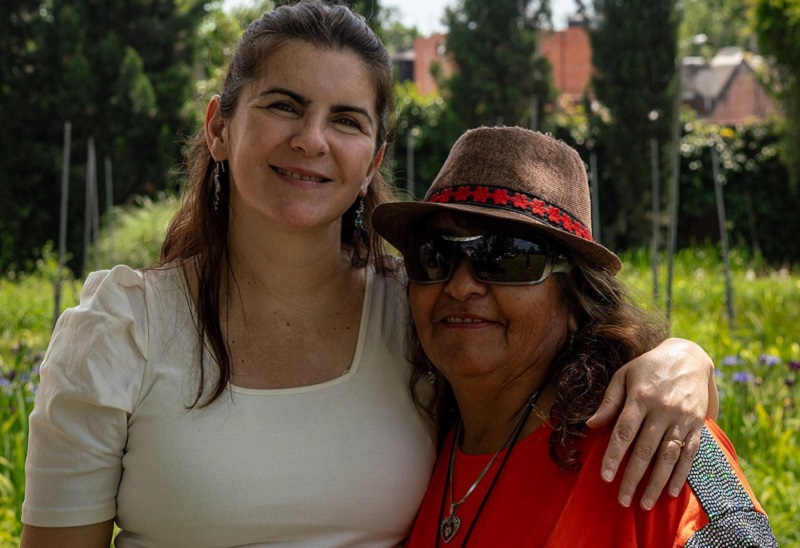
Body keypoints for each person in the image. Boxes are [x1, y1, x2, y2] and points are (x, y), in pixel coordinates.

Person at [22, 2, 717, 547]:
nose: (311, 139)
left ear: (372, 160)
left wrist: (685, 361)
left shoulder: (418, 315)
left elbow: (553, 359)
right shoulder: (120, 331)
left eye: (346, 120)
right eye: (284, 105)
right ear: (219, 127)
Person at [372, 126, 777, 547]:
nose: (460, 286)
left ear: (575, 300)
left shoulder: (660, 446)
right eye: (434, 254)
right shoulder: (415, 447)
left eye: (509, 257)